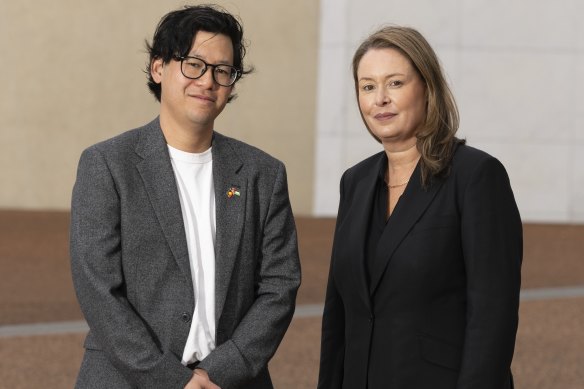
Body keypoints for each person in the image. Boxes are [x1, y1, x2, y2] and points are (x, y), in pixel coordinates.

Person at [70, 5, 300, 389]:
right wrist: (171, 380)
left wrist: (218, 371)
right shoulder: (107, 165)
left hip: (232, 381)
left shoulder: (264, 173)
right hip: (126, 380)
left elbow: (280, 284)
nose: (207, 81)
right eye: (193, 64)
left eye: (222, 71)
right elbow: (98, 292)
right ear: (158, 68)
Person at [318, 26, 522, 389]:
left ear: (427, 88)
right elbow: (339, 314)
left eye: (394, 83)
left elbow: (492, 317)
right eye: (367, 86)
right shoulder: (355, 182)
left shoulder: (475, 176)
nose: (379, 99)